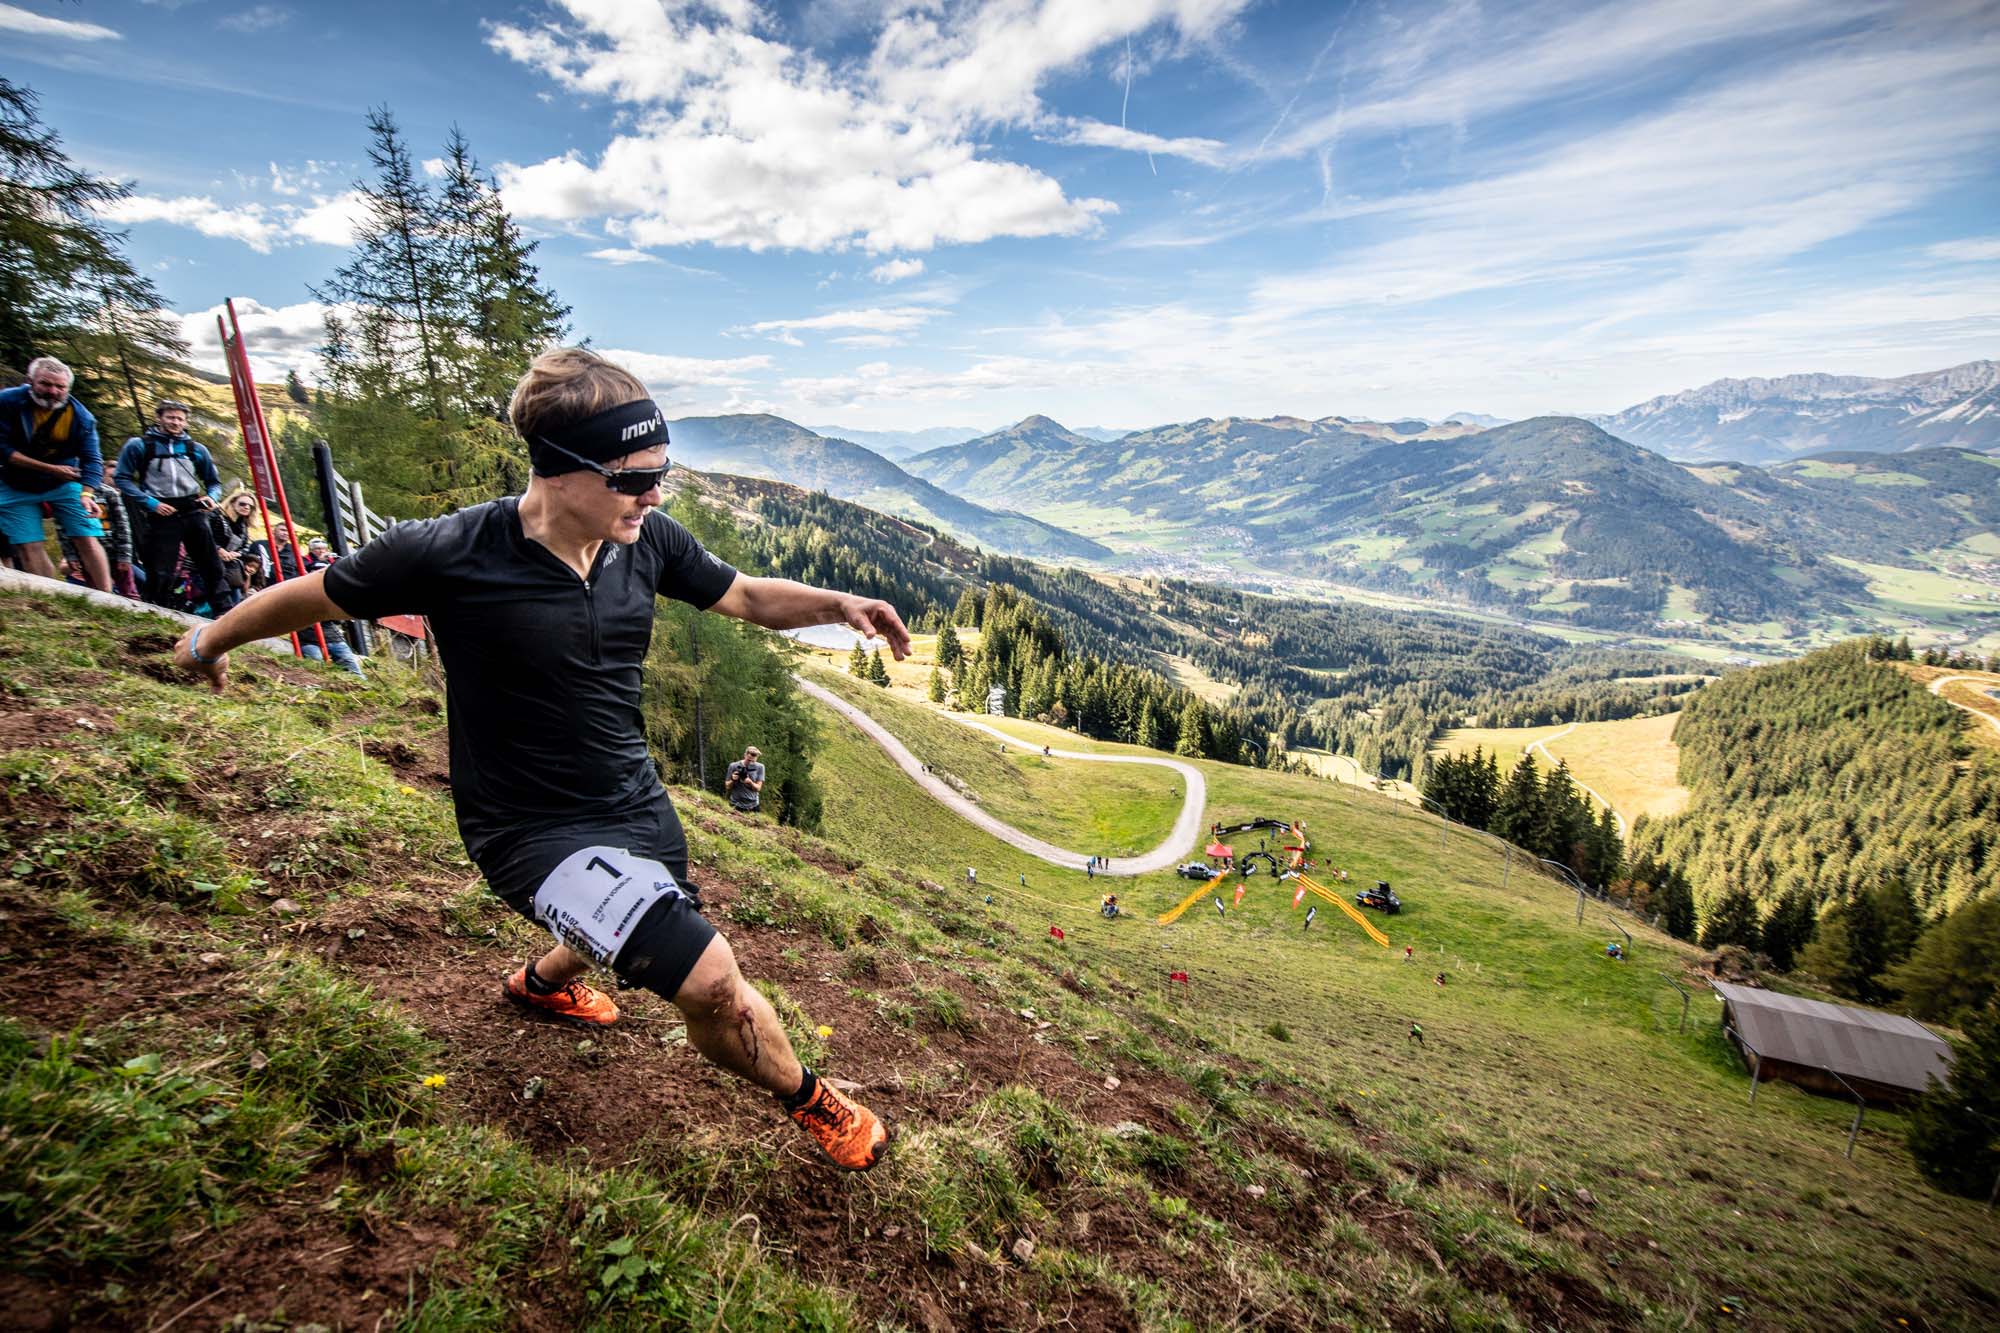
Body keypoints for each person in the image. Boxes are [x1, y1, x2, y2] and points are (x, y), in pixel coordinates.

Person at [172, 348, 903, 1172]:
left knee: (633, 908)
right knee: (710, 983)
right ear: (559, 471)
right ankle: (811, 1096)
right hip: (528, 825)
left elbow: (743, 594)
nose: (654, 493)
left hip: (631, 794)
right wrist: (205, 639)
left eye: (662, 471)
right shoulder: (450, 552)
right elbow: (313, 593)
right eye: (633, 477)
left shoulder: (646, 539)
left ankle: (544, 982)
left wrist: (837, 605)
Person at [0, 357, 112, 591]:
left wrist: (88, 494)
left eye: (60, 387)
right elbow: (3, 450)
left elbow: (92, 459)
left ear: (68, 388)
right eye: (46, 384)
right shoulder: (7, 403)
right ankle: (47, 596)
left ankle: (109, 597)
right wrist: (51, 469)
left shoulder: (81, 417)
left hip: (65, 483)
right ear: (30, 381)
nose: (53, 392)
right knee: (28, 544)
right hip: (15, 482)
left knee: (86, 538)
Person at [116, 400, 225, 609]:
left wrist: (212, 497)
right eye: (170, 417)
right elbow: (122, 478)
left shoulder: (196, 449)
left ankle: (223, 608)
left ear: (185, 422)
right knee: (161, 565)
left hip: (192, 508)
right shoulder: (140, 445)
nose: (175, 422)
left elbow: (213, 482)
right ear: (159, 418)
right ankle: (157, 606)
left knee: (210, 562)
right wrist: (150, 503)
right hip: (161, 510)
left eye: (180, 419)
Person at [724, 745, 765, 813]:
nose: (751, 761)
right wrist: (733, 779)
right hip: (735, 804)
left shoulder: (760, 767)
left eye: (754, 758)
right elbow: (727, 786)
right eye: (749, 759)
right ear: (745, 755)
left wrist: (750, 782)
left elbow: (758, 788)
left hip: (753, 806)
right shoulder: (734, 766)